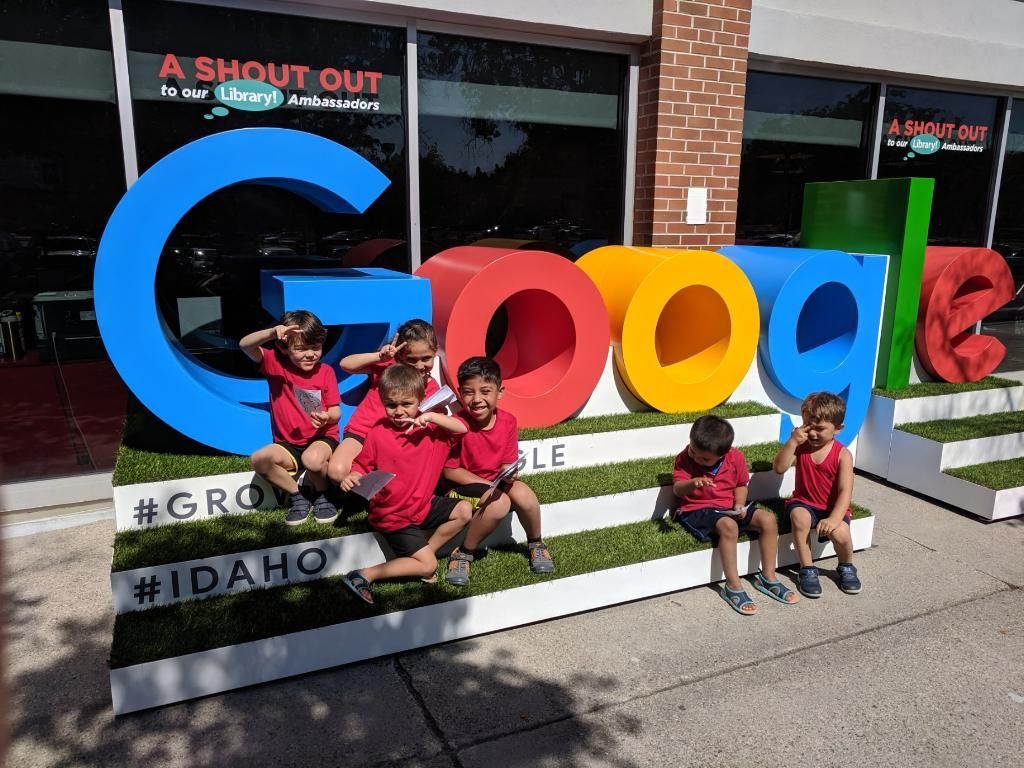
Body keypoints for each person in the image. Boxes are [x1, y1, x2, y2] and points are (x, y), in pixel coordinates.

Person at [338, 363, 471, 605]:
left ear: (420, 400)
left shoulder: (432, 430)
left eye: (407, 404)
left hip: (421, 507)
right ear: (382, 402)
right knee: (429, 566)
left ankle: (420, 558)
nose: (398, 411)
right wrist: (351, 476)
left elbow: (463, 428)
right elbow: (362, 465)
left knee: (464, 510)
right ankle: (363, 575)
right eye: (391, 405)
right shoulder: (378, 432)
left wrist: (430, 416)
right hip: (393, 516)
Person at [440, 356, 554, 586]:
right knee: (500, 503)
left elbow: (507, 461)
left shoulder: (509, 422)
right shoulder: (457, 424)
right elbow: (449, 471)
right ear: (460, 394)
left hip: (494, 482)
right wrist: (487, 485)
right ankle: (463, 553)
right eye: (468, 392)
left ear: (499, 392)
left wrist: (508, 473)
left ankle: (536, 543)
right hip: (463, 487)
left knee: (525, 496)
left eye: (485, 391)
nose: (477, 399)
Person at [673, 415, 799, 615]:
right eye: (693, 451)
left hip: (728, 507)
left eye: (704, 458)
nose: (696, 458)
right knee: (728, 526)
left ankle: (768, 577)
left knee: (768, 520)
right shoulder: (683, 458)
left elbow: (741, 485)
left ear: (723, 454)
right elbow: (678, 490)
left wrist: (739, 505)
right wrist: (692, 483)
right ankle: (733, 586)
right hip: (697, 509)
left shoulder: (736, 458)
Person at [240, 310, 341, 526]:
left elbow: (336, 411)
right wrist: (272, 333)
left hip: (322, 439)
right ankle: (299, 496)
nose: (310, 354)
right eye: (301, 348)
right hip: (288, 445)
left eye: (315, 347)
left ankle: (323, 494)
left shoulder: (326, 372)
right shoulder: (274, 365)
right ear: (283, 347)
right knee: (259, 459)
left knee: (312, 460)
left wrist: (326, 417)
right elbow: (245, 345)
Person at [328, 319, 441, 488]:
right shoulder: (387, 366)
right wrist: (380, 356)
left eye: (426, 358)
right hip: (363, 432)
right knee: (337, 471)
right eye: (411, 360)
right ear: (400, 356)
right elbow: (345, 365)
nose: (419, 365)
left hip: (393, 440)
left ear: (435, 353)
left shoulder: (431, 388)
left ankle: (372, 497)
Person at [772, 391, 861, 598]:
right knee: (799, 518)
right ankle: (807, 569)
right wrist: (792, 442)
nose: (812, 434)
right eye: (808, 427)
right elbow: (779, 467)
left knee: (841, 534)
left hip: (832, 508)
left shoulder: (842, 455)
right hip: (804, 502)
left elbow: (845, 490)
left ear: (838, 429)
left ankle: (846, 566)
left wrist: (835, 518)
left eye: (820, 429)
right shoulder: (801, 448)